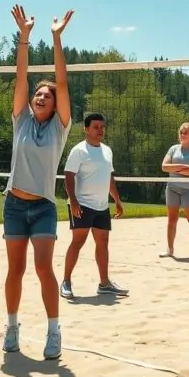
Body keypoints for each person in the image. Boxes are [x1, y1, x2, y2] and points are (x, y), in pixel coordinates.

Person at [2, 4, 74, 360]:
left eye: (47, 95)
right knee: (15, 270)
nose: (41, 96)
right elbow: (21, 78)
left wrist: (56, 38)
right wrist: (25, 37)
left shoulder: (60, 128)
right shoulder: (21, 120)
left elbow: (61, 81)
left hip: (43, 207)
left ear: (56, 103)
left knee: (44, 268)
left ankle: (54, 331)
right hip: (14, 205)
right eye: (38, 95)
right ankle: (12, 326)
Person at [60, 112, 127, 299]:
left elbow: (109, 177)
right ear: (86, 129)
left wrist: (117, 200)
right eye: (96, 127)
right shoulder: (79, 150)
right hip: (82, 204)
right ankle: (66, 281)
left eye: (102, 127)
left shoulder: (107, 150)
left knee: (103, 243)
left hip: (101, 205)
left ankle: (104, 283)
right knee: (78, 242)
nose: (100, 130)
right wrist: (72, 200)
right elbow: (68, 175)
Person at [159, 122, 189, 260]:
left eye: (185, 132)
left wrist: (175, 169)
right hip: (172, 188)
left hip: (188, 190)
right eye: (181, 132)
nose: (182, 135)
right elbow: (164, 167)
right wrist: (183, 166)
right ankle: (170, 249)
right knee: (172, 220)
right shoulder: (173, 149)